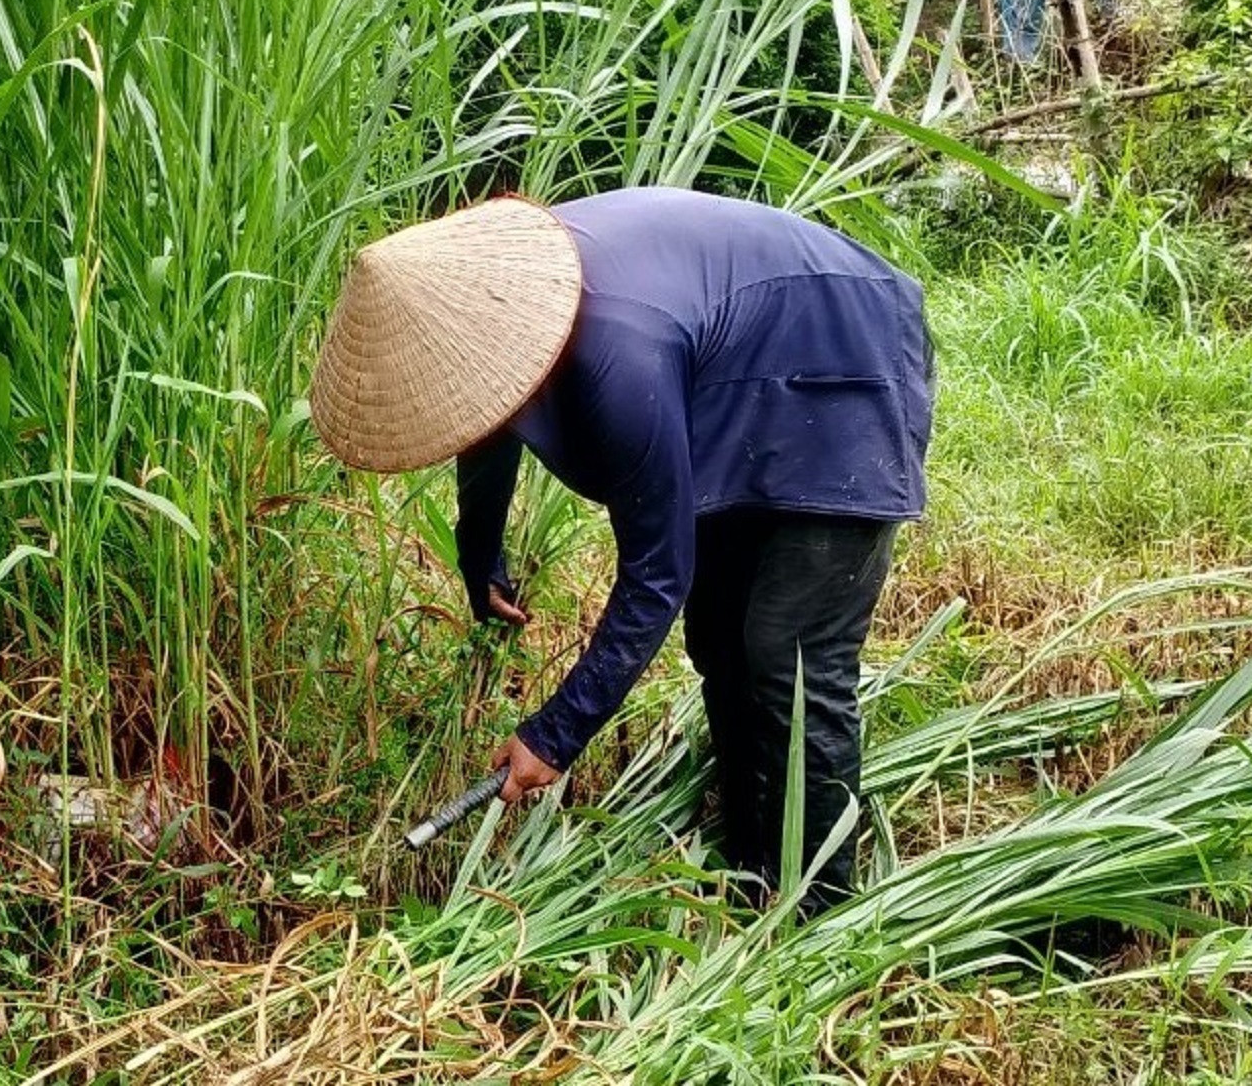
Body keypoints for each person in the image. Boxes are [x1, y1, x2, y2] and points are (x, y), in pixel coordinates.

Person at [309, 187, 933, 911]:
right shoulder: (502, 316)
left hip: (844, 355)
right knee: (721, 644)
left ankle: (821, 912)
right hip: (738, 374)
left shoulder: (617, 357)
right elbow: (482, 415)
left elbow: (657, 577)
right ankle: (752, 867)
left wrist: (554, 733)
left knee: (787, 655)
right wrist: (480, 557)